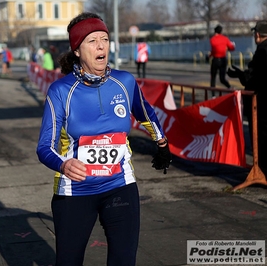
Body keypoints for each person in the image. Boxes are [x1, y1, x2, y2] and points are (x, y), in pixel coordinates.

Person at [36, 12, 172, 266]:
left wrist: (162, 144)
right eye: (92, 41)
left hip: (120, 186)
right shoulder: (61, 91)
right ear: (77, 50)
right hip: (76, 191)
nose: (101, 46)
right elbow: (45, 147)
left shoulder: (124, 82)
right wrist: (63, 165)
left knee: (123, 260)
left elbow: (146, 114)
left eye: (105, 39)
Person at [227, 20, 267, 176]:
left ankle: (262, 172)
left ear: (257, 34)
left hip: (261, 102)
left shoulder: (262, 50)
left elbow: (255, 78)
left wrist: (240, 75)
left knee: (261, 138)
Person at [209, 24, 235, 96]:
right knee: (222, 78)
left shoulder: (212, 39)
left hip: (215, 60)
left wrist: (209, 56)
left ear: (215, 31)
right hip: (223, 59)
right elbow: (231, 48)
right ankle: (230, 88)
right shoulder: (225, 39)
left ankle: (213, 95)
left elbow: (213, 50)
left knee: (213, 78)